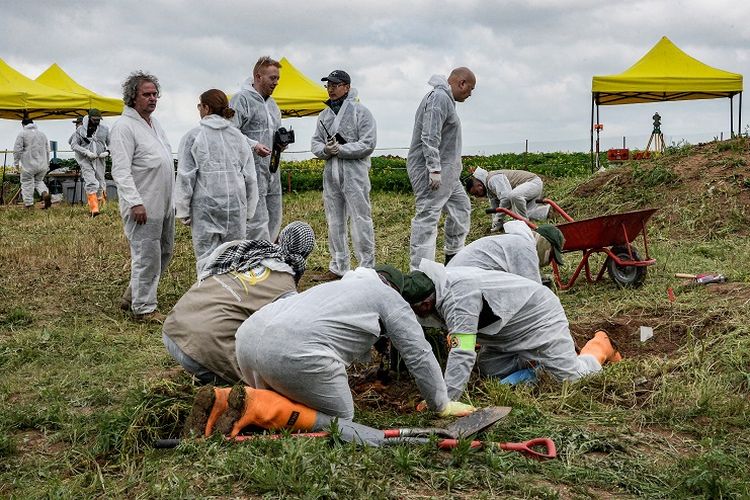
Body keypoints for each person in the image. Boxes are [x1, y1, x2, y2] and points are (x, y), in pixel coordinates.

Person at [232, 265, 476, 421]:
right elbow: (419, 353)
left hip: (245, 341)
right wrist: (441, 404)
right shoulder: (388, 297)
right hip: (290, 352)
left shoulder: (335, 288)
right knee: (341, 419)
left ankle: (244, 399)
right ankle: (261, 410)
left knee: (287, 387)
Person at [403, 259, 622, 400]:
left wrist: (446, 401)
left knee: (572, 379)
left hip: (538, 319)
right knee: (489, 367)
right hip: (504, 333)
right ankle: (539, 363)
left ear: (425, 304)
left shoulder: (459, 299)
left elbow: (463, 351)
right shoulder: (436, 286)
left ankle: (600, 346)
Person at [162, 221, 315, 386]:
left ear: (278, 239)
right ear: (305, 256)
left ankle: (192, 369)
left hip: (172, 330)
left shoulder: (242, 249)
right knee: (265, 385)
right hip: (203, 353)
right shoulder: (287, 291)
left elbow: (205, 270)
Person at [110, 71, 174, 322]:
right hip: (143, 204)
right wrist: (134, 201)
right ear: (132, 97)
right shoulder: (124, 127)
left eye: (155, 94)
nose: (152, 99)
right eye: (146, 94)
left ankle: (134, 294)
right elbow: (121, 170)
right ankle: (144, 308)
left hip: (164, 203)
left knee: (165, 251)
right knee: (146, 255)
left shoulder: (154, 124)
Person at [175, 89, 259, 276]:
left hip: (205, 206)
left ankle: (209, 296)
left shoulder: (193, 136)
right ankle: (233, 297)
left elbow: (186, 175)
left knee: (207, 256)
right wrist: (250, 208)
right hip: (235, 205)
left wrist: (182, 208)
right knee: (235, 254)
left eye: (200, 105)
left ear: (206, 107)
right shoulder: (238, 136)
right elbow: (250, 176)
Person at [310, 70, 377, 280]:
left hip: (354, 174)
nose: (330, 88)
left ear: (346, 87)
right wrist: (326, 150)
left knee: (360, 219)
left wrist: (343, 150)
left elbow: (368, 143)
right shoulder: (324, 115)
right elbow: (315, 142)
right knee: (334, 221)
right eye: (328, 85)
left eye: (335, 85)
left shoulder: (361, 112)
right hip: (331, 175)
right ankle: (338, 266)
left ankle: (366, 267)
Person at [407, 67, 476, 269]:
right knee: (428, 216)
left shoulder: (446, 100)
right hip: (433, 173)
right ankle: (420, 272)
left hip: (449, 174)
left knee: (461, 208)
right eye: (470, 89)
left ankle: (453, 258)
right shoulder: (439, 98)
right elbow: (430, 135)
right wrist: (434, 169)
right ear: (461, 83)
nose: (470, 94)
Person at [229, 56, 284, 242]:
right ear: (258, 77)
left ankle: (269, 258)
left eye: (277, 78)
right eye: (272, 78)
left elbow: (274, 132)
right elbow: (230, 132)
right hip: (250, 170)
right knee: (255, 218)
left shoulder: (273, 105)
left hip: (272, 168)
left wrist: (280, 142)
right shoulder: (241, 100)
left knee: (274, 214)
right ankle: (255, 262)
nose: (276, 82)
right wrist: (253, 145)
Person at [447, 220, 565, 283]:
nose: (549, 262)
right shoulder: (524, 246)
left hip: (457, 278)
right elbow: (532, 291)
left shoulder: (516, 241)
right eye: (551, 256)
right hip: (462, 284)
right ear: (545, 244)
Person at [466, 167, 550, 232]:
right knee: (526, 213)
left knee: (514, 196)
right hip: (524, 189)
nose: (477, 196)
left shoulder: (492, 179)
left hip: (532, 183)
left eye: (476, 193)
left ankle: (524, 226)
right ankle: (549, 211)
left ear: (479, 185)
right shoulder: (489, 189)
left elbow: (506, 199)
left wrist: (498, 219)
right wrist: (495, 224)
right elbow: (495, 208)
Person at [70, 109, 110, 217]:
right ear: (89, 118)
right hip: (85, 160)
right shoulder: (80, 130)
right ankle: (94, 209)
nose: (97, 122)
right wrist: (86, 152)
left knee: (101, 183)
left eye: (98, 120)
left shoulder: (104, 129)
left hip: (99, 159)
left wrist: (107, 152)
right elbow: (73, 145)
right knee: (91, 182)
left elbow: (111, 143)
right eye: (94, 119)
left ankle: (101, 206)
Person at [13, 118, 51, 209]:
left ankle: (29, 205)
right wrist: (47, 163)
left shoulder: (22, 134)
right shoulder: (42, 134)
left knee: (27, 183)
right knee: (39, 181)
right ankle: (45, 193)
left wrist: (16, 164)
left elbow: (17, 150)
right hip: (42, 164)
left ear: (23, 125)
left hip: (29, 165)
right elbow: (47, 150)